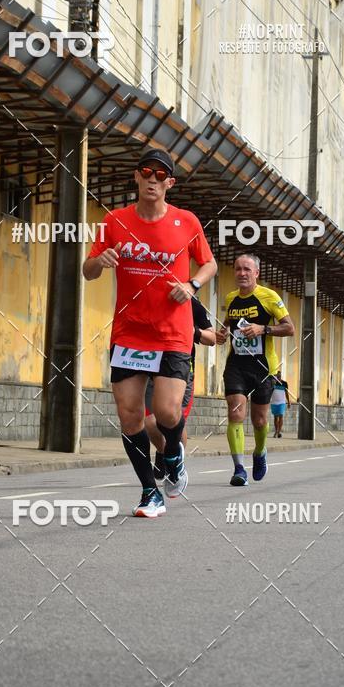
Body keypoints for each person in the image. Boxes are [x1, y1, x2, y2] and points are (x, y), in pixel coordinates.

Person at [82, 148, 217, 518]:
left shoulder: (186, 222)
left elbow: (209, 264)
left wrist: (191, 285)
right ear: (137, 178)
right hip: (129, 333)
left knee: (167, 411)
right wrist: (99, 260)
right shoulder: (114, 221)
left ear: (170, 183)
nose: (153, 180)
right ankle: (149, 492)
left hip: (173, 331)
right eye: (147, 173)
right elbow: (88, 270)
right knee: (129, 417)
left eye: (161, 176)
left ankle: (172, 453)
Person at [216, 254, 295, 486]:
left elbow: (290, 328)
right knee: (235, 413)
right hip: (237, 366)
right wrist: (222, 332)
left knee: (259, 421)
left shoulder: (269, 296)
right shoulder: (231, 298)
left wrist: (263, 329)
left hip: (263, 367)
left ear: (256, 273)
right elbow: (228, 322)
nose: (242, 273)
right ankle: (239, 468)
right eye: (238, 269)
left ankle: (260, 452)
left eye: (247, 269)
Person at [145, 295, 216, 480]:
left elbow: (212, 337)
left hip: (181, 371)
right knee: (150, 422)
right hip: (150, 367)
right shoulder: (150, 296)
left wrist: (194, 331)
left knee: (173, 420)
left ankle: (176, 465)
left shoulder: (192, 303)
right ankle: (163, 451)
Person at [270, 372, 290, 438]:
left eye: (279, 376)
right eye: (276, 376)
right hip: (274, 402)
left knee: (281, 416)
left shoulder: (284, 383)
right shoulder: (273, 383)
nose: (278, 377)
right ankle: (276, 431)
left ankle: (279, 431)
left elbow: (286, 393)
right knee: (276, 417)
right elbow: (269, 392)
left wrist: (288, 402)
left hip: (282, 402)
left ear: (281, 376)